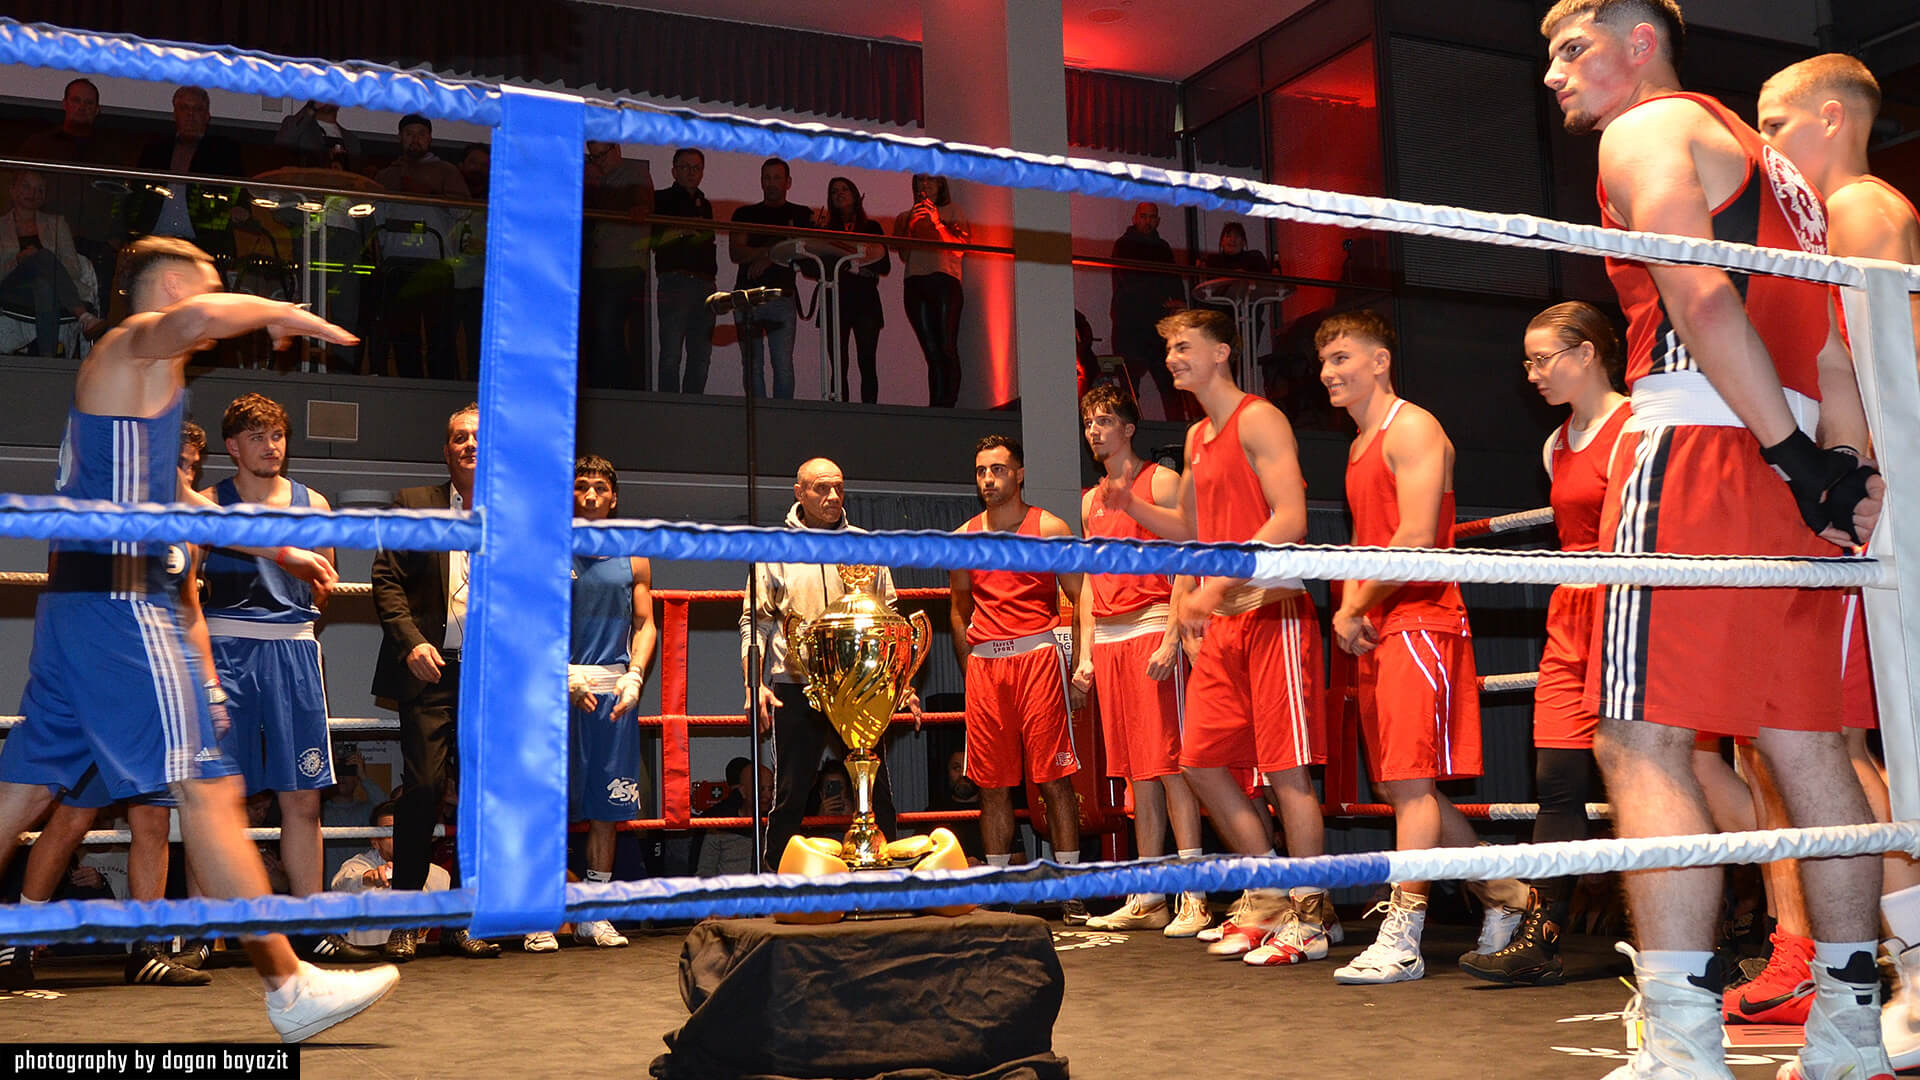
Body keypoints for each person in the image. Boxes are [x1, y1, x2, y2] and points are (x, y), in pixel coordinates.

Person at [1542, 4, 1885, 1077]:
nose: (1554, 75)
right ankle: (1848, 1031)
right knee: (1807, 748)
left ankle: (1685, 1047)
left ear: (1640, 43)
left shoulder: (1645, 128)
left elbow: (1694, 290)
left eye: (1572, 49)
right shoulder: (1775, 166)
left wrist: (1791, 455)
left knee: (1640, 740)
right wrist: (1839, 472)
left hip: (1704, 438)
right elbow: (1832, 346)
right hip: (1794, 458)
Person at [0, 235, 395, 1040]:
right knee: (206, 784)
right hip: (121, 605)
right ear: (170, 292)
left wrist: (277, 546)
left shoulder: (145, 387)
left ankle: (287, 977)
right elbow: (202, 315)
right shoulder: (130, 346)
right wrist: (287, 314)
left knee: (26, 791)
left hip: (80, 606)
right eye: (205, 287)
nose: (218, 303)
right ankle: (287, 985)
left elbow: (186, 504)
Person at [1750, 52, 1920, 1057]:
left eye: (1774, 124)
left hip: (1903, 497)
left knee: (1883, 732)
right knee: (1869, 735)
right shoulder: (1854, 214)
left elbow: (1889, 349)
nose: (1765, 148)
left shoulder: (1856, 205)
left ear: (1828, 116)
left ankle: (1915, 974)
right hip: (1887, 488)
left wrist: (1877, 475)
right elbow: (1843, 360)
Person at [1099, 309, 1337, 962]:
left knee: (1287, 771)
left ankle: (1311, 913)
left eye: (1183, 346)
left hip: (1271, 609)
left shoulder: (1258, 418)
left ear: (1222, 352)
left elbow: (1290, 517)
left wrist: (1217, 585)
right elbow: (1193, 532)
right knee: (1199, 760)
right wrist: (1133, 508)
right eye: (1167, 347)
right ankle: (1267, 889)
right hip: (1225, 618)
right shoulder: (1199, 434)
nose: (1172, 357)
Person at [1321, 309, 1528, 984]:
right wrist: (1353, 611)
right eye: (1324, 362)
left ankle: (1404, 934)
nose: (1330, 372)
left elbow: (1413, 537)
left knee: (1409, 782)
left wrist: (1354, 604)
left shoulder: (1412, 427)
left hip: (1422, 619)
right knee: (1400, 781)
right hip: (1384, 621)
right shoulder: (1357, 446)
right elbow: (1371, 541)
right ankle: (1506, 892)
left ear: (1381, 361)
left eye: (1343, 357)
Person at [1460, 302, 1631, 986]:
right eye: (1527, 360)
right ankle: (1542, 937)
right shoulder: (1554, 444)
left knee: (1645, 781)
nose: (1531, 373)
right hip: (1569, 618)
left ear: (1586, 353)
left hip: (1627, 609)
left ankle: (1696, 933)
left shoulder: (1635, 426)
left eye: (1542, 358)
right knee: (1557, 784)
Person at [198, 392, 381, 965]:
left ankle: (311, 925)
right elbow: (183, 586)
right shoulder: (207, 502)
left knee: (302, 800)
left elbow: (323, 586)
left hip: (293, 655)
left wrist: (293, 633)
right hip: (224, 651)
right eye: (257, 436)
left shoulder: (313, 503)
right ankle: (206, 931)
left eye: (276, 436)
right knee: (215, 801)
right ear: (232, 446)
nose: (270, 446)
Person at [1070, 384, 1209, 938]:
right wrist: (1084, 653)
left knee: (1170, 763)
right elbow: (1085, 584)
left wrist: (1172, 636)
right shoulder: (1089, 499)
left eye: (1105, 420)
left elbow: (1185, 562)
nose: (1095, 431)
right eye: (1088, 422)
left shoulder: (1161, 480)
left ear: (1129, 428)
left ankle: (1193, 893)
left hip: (1152, 622)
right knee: (1134, 769)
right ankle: (1149, 892)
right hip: (1108, 637)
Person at [369, 402, 501, 958]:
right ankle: (405, 917)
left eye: (478, 436)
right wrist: (413, 642)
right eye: (459, 437)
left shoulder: (515, 512)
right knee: (422, 789)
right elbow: (386, 581)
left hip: (491, 676)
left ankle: (470, 919)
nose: (470, 444)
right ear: (446, 450)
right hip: (430, 667)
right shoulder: (413, 505)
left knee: (478, 796)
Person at [742, 457, 912, 868]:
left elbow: (890, 617)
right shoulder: (775, 548)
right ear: (799, 492)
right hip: (796, 683)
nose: (833, 496)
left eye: (838, 486)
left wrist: (899, 682)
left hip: (861, 686)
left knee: (875, 787)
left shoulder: (863, 543)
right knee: (792, 791)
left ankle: (883, 878)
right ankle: (777, 885)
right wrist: (754, 683)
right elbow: (756, 620)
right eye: (821, 488)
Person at [949, 436, 1086, 918]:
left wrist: (1080, 663)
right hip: (987, 664)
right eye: (982, 470)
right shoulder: (965, 536)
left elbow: (1080, 596)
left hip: (1038, 658)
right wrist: (971, 667)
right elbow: (958, 610)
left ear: (1020, 474)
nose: (989, 479)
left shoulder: (1050, 527)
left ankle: (1069, 888)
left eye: (999, 469)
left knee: (1054, 778)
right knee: (992, 783)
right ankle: (998, 890)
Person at [528, 453, 654, 952]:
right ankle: (543, 913)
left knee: (607, 807)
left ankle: (592, 913)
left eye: (600, 488)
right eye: (581, 486)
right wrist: (559, 675)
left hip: (614, 690)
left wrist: (636, 676)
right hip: (555, 690)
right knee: (549, 804)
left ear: (614, 496)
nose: (591, 496)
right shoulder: (546, 550)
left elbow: (645, 624)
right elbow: (532, 624)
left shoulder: (634, 553)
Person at [371, 114, 469, 380]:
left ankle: (441, 390)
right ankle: (408, 388)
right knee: (403, 336)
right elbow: (376, 218)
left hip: (435, 263)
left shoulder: (447, 171)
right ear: (400, 137)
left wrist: (428, 192)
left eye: (421, 134)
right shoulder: (386, 174)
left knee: (441, 335)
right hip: (396, 264)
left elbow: (463, 212)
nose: (415, 139)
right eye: (409, 134)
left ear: (430, 139)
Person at [730, 158, 813, 399]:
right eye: (767, 178)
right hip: (747, 297)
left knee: (783, 365)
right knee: (752, 366)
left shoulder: (800, 214)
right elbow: (737, 253)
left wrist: (768, 255)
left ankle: (781, 421)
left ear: (788, 182)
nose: (772, 183)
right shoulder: (744, 213)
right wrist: (775, 251)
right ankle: (759, 422)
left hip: (782, 297)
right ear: (761, 181)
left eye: (777, 178)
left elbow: (804, 249)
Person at [0, 169, 105, 355]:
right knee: (41, 256)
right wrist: (19, 260)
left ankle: (45, 359)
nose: (33, 193)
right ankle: (83, 316)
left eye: (40, 189)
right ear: (12, 190)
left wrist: (46, 265)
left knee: (43, 284)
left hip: (52, 290)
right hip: (11, 289)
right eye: (26, 186)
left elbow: (73, 268)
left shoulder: (56, 224)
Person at [330, 800, 452, 953]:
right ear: (375, 841)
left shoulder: (438, 875)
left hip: (415, 964)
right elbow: (343, 883)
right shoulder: (357, 865)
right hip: (365, 963)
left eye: (404, 830)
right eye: (389, 832)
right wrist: (370, 877)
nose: (398, 837)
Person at [582, 141, 654, 390]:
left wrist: (640, 207)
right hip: (600, 265)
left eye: (602, 155)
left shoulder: (633, 172)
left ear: (617, 150)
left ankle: (618, 387)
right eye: (594, 157)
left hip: (624, 264)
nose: (599, 160)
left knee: (609, 326)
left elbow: (642, 199)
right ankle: (606, 384)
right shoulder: (596, 180)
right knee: (601, 328)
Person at [814, 176, 891, 404]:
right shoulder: (826, 229)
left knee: (867, 360)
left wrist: (848, 262)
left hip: (865, 302)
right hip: (834, 300)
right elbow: (815, 266)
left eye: (844, 189)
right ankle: (839, 413)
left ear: (856, 194)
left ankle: (870, 413)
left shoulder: (871, 227)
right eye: (834, 191)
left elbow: (884, 265)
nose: (839, 193)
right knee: (837, 364)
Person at [894, 174, 969, 407]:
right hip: (915, 283)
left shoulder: (953, 211)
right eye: (920, 181)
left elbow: (959, 249)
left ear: (940, 184)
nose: (924, 185)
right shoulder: (905, 216)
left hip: (945, 281)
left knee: (947, 346)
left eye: (930, 180)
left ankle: (949, 404)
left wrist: (937, 222)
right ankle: (936, 406)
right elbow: (904, 254)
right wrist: (911, 226)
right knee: (932, 352)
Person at [1109, 203, 1187, 420]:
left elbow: (1174, 279)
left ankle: (1177, 434)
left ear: (1158, 220)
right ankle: (1129, 433)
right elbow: (1133, 281)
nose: (1148, 221)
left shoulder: (1163, 247)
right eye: (1144, 216)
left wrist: (1179, 302)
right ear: (1135, 218)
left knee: (1169, 386)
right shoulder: (1124, 245)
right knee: (1130, 388)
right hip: (1131, 325)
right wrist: (1168, 299)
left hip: (1154, 326)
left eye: (1152, 217)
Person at [652, 148, 717, 394]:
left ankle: (693, 408)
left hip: (705, 282)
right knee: (671, 352)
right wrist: (683, 230)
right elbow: (653, 240)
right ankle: (669, 410)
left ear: (702, 173)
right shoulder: (661, 199)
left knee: (701, 356)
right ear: (674, 171)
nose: (691, 173)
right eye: (685, 167)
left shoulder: (705, 203)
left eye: (696, 168)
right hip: (675, 280)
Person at [695, 758, 768, 877]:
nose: (768, 795)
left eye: (771, 789)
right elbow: (704, 875)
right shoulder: (719, 827)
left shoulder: (775, 827)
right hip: (728, 893)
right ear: (743, 791)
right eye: (761, 788)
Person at [1202, 222, 1272, 276]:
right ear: (1221, 241)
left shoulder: (1255, 258)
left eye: (1237, 236)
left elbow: (1266, 285)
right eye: (1228, 236)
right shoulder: (1213, 261)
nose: (1232, 240)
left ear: (1244, 242)